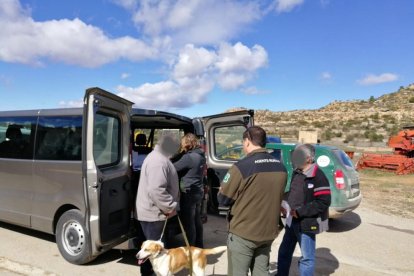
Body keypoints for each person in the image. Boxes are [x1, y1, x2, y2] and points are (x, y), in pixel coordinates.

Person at [217, 126, 287, 276]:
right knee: (262, 272)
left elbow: (223, 199)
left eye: (243, 142)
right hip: (268, 233)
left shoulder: (241, 167)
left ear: (247, 141)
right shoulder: (281, 167)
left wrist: (221, 190)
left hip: (244, 233)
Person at [276, 144, 331, 276]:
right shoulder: (297, 172)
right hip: (291, 221)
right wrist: (284, 205)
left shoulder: (318, 176)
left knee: (306, 258)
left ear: (308, 158)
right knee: (284, 252)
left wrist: (300, 212)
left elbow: (323, 202)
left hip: (306, 223)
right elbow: (293, 193)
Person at [135, 131, 180, 276]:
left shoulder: (159, 158)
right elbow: (156, 190)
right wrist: (169, 207)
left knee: (151, 252)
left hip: (155, 212)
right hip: (154, 214)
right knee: (155, 253)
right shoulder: (158, 161)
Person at [173, 133, 206, 248]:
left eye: (183, 144)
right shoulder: (201, 155)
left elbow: (173, 168)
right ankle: (199, 245)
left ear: (187, 143)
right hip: (198, 190)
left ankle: (191, 248)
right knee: (197, 220)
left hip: (188, 192)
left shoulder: (189, 157)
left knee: (189, 222)